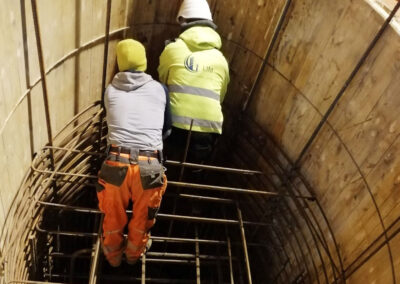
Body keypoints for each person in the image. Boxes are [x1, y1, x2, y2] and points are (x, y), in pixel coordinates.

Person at [96, 39, 171, 267]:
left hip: (116, 163)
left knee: (113, 218)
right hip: (149, 166)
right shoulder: (160, 89)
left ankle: (113, 259)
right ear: (144, 62)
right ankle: (133, 255)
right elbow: (167, 128)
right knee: (142, 219)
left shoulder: (110, 91)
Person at [158, 0, 230, 169]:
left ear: (183, 22)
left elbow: (162, 85)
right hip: (208, 130)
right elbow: (221, 96)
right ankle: (191, 186)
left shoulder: (172, 49)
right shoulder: (221, 59)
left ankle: (164, 187)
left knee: (168, 167)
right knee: (194, 169)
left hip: (174, 127)